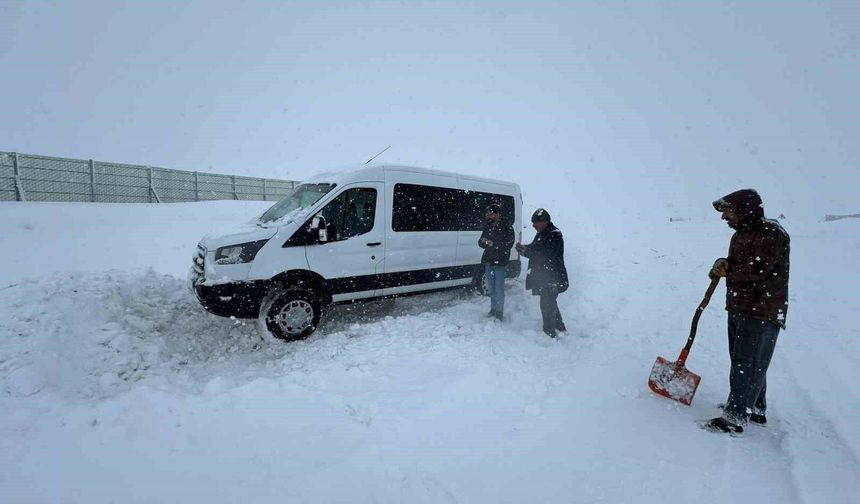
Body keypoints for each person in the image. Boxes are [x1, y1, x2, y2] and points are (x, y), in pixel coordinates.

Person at [704, 189, 790, 434]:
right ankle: (754, 408)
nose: (724, 218)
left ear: (744, 210)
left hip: (762, 309)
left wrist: (728, 271)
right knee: (747, 360)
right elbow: (739, 264)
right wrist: (724, 264)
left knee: (747, 362)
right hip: (741, 306)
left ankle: (734, 417)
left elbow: (758, 270)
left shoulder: (771, 233)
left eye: (728, 212)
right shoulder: (741, 235)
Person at [516, 208, 569, 337]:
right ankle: (560, 327)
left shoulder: (554, 234)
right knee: (550, 303)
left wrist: (526, 253)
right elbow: (537, 247)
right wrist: (525, 247)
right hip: (546, 276)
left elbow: (547, 255)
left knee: (547, 305)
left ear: (544, 221)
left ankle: (549, 333)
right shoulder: (543, 233)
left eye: (535, 222)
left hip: (553, 277)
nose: (533, 225)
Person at [478, 203, 515, 320]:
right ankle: (493, 309)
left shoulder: (507, 227)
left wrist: (492, 243)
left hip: (500, 262)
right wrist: (483, 242)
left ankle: (499, 312)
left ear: (498, 214)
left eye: (491, 213)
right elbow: (480, 242)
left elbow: (508, 245)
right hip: (488, 261)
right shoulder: (488, 225)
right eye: (488, 213)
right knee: (491, 287)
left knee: (499, 288)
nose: (489, 216)